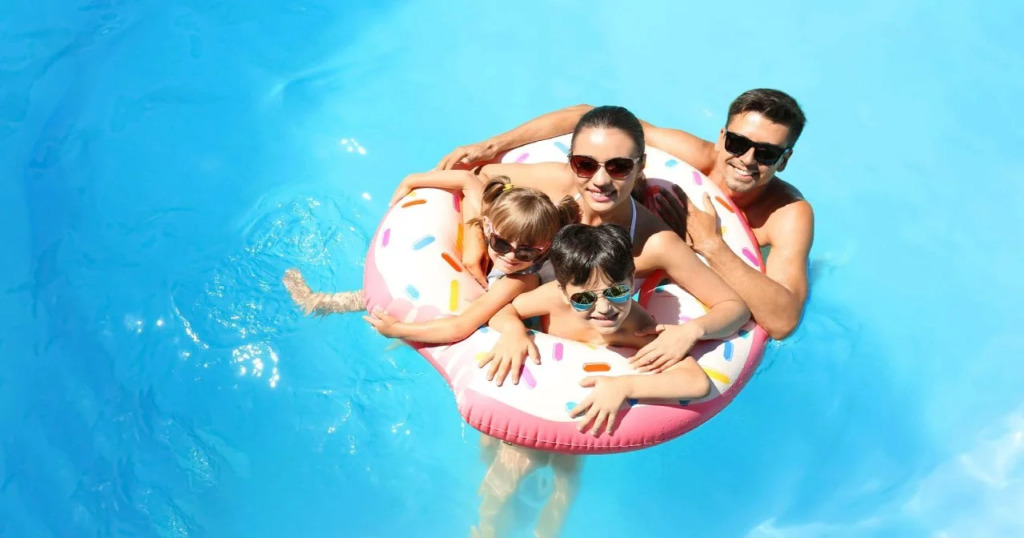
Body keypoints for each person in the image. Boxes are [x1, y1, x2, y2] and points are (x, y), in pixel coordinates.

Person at [438, 89, 813, 340]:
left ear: (785, 159)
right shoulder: (689, 157)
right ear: (722, 137)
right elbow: (589, 117)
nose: (746, 159)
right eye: (738, 142)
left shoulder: (786, 213)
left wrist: (711, 244)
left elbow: (782, 322)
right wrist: (495, 144)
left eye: (766, 153)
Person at [463, 106, 749, 386]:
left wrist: (691, 331)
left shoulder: (654, 242)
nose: (600, 181)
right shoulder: (559, 185)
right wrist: (474, 242)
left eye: (619, 167)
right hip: (515, 319)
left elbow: (734, 307)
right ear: (571, 162)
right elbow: (480, 176)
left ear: (640, 166)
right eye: (585, 165)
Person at [475, 223, 712, 538]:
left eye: (617, 292)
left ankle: (546, 533)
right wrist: (514, 331)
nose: (604, 308)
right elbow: (502, 311)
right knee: (507, 470)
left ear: (631, 280)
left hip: (577, 417)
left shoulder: (635, 326)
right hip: (536, 398)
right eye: (584, 299)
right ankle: (486, 530)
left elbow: (696, 382)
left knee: (565, 479)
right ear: (564, 291)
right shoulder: (552, 299)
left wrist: (625, 385)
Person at [285, 172, 580, 346]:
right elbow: (468, 180)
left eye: (526, 252)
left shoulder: (520, 280)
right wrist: (410, 180)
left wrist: (398, 330)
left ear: (545, 248)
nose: (511, 256)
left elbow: (460, 327)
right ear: (488, 227)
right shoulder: (495, 220)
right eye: (501, 244)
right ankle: (320, 302)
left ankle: (320, 303)